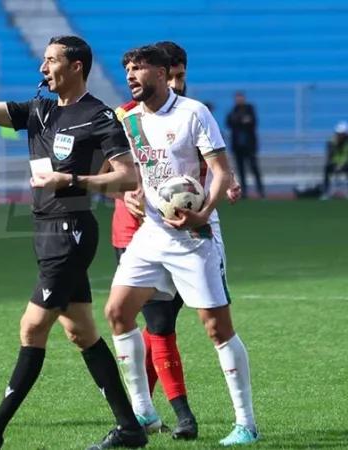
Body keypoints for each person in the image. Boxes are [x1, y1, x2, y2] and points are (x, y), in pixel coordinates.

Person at [0, 35, 149, 450]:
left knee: (32, 326)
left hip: (71, 231)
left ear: (76, 66)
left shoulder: (98, 116)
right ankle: (129, 428)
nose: (43, 68)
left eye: (51, 60)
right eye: (43, 60)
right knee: (81, 333)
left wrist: (72, 180)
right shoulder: (39, 110)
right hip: (45, 229)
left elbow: (128, 177)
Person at [107, 45, 259, 446]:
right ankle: (144, 411)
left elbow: (222, 171)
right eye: (127, 70)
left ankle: (246, 423)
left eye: (138, 69)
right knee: (118, 312)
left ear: (161, 72)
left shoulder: (194, 113)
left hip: (195, 236)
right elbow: (123, 173)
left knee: (217, 328)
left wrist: (204, 213)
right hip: (152, 234)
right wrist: (129, 194)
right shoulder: (129, 118)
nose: (130, 76)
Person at [226, 91, 265, 198]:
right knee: (241, 171)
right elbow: (229, 122)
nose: (239, 99)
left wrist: (239, 121)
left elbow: (252, 122)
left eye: (240, 97)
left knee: (254, 168)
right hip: (237, 146)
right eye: (237, 97)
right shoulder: (233, 110)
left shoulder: (249, 108)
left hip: (249, 145)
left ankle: (261, 191)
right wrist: (241, 120)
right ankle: (244, 193)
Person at [322, 120, 348, 198]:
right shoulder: (332, 142)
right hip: (335, 164)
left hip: (345, 164)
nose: (339, 135)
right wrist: (336, 165)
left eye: (341, 134)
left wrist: (341, 165)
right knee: (327, 168)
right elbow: (329, 156)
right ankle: (326, 192)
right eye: (338, 133)